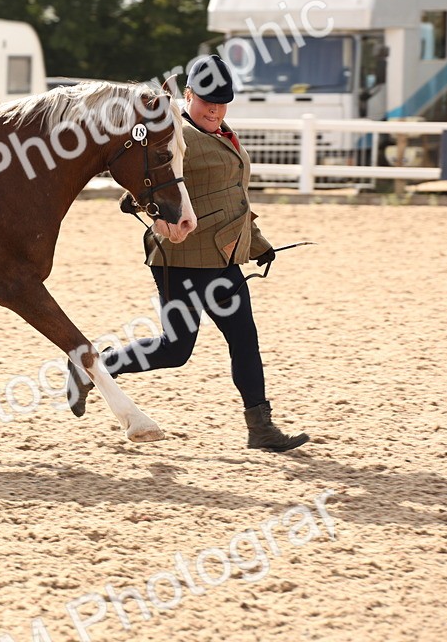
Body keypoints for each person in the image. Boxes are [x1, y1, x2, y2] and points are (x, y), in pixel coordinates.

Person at [68, 54, 309, 452]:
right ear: (187, 95)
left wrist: (259, 244)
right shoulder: (174, 133)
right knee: (176, 350)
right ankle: (96, 366)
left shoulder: (222, 133)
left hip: (224, 261)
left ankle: (260, 427)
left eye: (223, 101)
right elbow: (143, 177)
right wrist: (139, 204)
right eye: (206, 100)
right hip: (180, 261)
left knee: (244, 340)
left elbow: (234, 199)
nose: (215, 108)